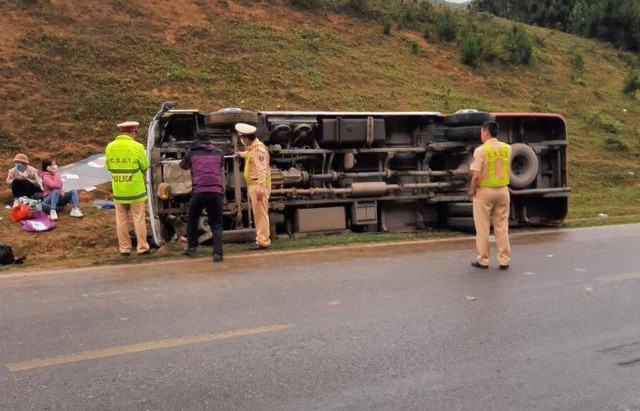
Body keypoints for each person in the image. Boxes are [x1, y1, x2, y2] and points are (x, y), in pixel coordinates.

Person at [468, 120, 512, 270]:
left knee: (483, 228)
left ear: (486, 132)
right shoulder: (508, 149)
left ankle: (483, 260)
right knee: (501, 227)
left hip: (484, 192)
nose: (481, 135)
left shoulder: (481, 151)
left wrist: (472, 190)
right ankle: (504, 260)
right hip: (503, 191)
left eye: (481, 132)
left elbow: (475, 176)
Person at [105, 121, 151, 256]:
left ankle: (124, 249)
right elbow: (145, 166)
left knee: (121, 220)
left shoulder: (110, 147)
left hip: (119, 190)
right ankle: (142, 247)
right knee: (138, 218)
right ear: (132, 132)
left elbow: (108, 166)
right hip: (136, 190)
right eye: (135, 132)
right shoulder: (137, 146)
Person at [180, 130, 225, 263]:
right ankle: (218, 254)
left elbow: (183, 165)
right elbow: (220, 165)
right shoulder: (219, 153)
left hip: (199, 191)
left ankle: (192, 247)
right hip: (216, 191)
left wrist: (190, 150)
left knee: (192, 218)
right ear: (209, 139)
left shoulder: (192, 152)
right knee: (216, 223)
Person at [234, 123, 271, 250]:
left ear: (246, 138)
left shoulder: (258, 150)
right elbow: (250, 154)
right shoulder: (253, 148)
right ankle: (261, 239)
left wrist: (260, 189)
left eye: (242, 139)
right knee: (259, 214)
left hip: (258, 186)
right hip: (254, 185)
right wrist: (241, 154)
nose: (242, 141)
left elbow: (262, 171)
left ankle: (262, 241)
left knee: (260, 215)